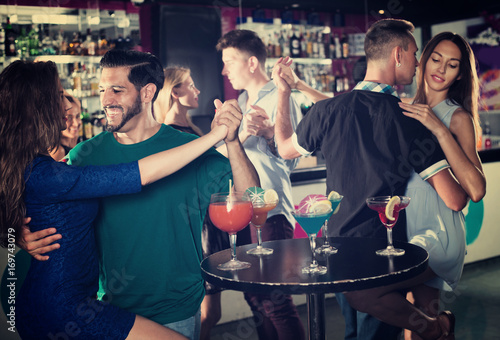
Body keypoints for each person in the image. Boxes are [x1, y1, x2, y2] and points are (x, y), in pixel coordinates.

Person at [18, 49, 259, 340]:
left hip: (176, 308)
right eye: (103, 89)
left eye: (117, 90)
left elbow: (254, 201)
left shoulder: (189, 149)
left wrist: (232, 141)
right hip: (108, 309)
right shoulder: (84, 155)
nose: (106, 100)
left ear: (147, 93)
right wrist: (18, 230)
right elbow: (36, 196)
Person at [273, 18, 468, 340]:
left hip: (334, 244)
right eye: (416, 53)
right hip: (386, 248)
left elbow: (283, 148)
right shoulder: (412, 121)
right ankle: (437, 329)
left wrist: (283, 94)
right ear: (399, 54)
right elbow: (455, 198)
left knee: (354, 329)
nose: (418, 62)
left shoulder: (328, 111)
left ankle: (435, 328)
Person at [215, 29, 306, 340]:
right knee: (253, 296)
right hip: (242, 209)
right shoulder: (240, 101)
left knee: (275, 300)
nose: (224, 70)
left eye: (229, 61)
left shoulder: (283, 95)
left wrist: (269, 135)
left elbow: (292, 157)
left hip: (272, 211)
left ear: (252, 62)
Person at [397, 32, 485, 339]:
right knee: (418, 318)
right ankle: (444, 328)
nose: (440, 68)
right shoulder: (403, 108)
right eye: (436, 59)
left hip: (439, 229)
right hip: (404, 225)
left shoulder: (458, 117)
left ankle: (443, 326)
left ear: (459, 74)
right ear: (422, 61)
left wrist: (438, 128)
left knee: (417, 313)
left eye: (451, 64)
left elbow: (475, 189)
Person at [153, 66, 230, 340]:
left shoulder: (192, 127)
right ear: (175, 92)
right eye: (191, 85)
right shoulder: (170, 132)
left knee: (211, 311)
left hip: (209, 222)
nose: (197, 91)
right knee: (208, 312)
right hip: (197, 227)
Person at [49, 93, 82, 161]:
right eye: (69, 118)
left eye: (77, 116)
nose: (76, 124)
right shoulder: (58, 151)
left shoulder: (74, 143)